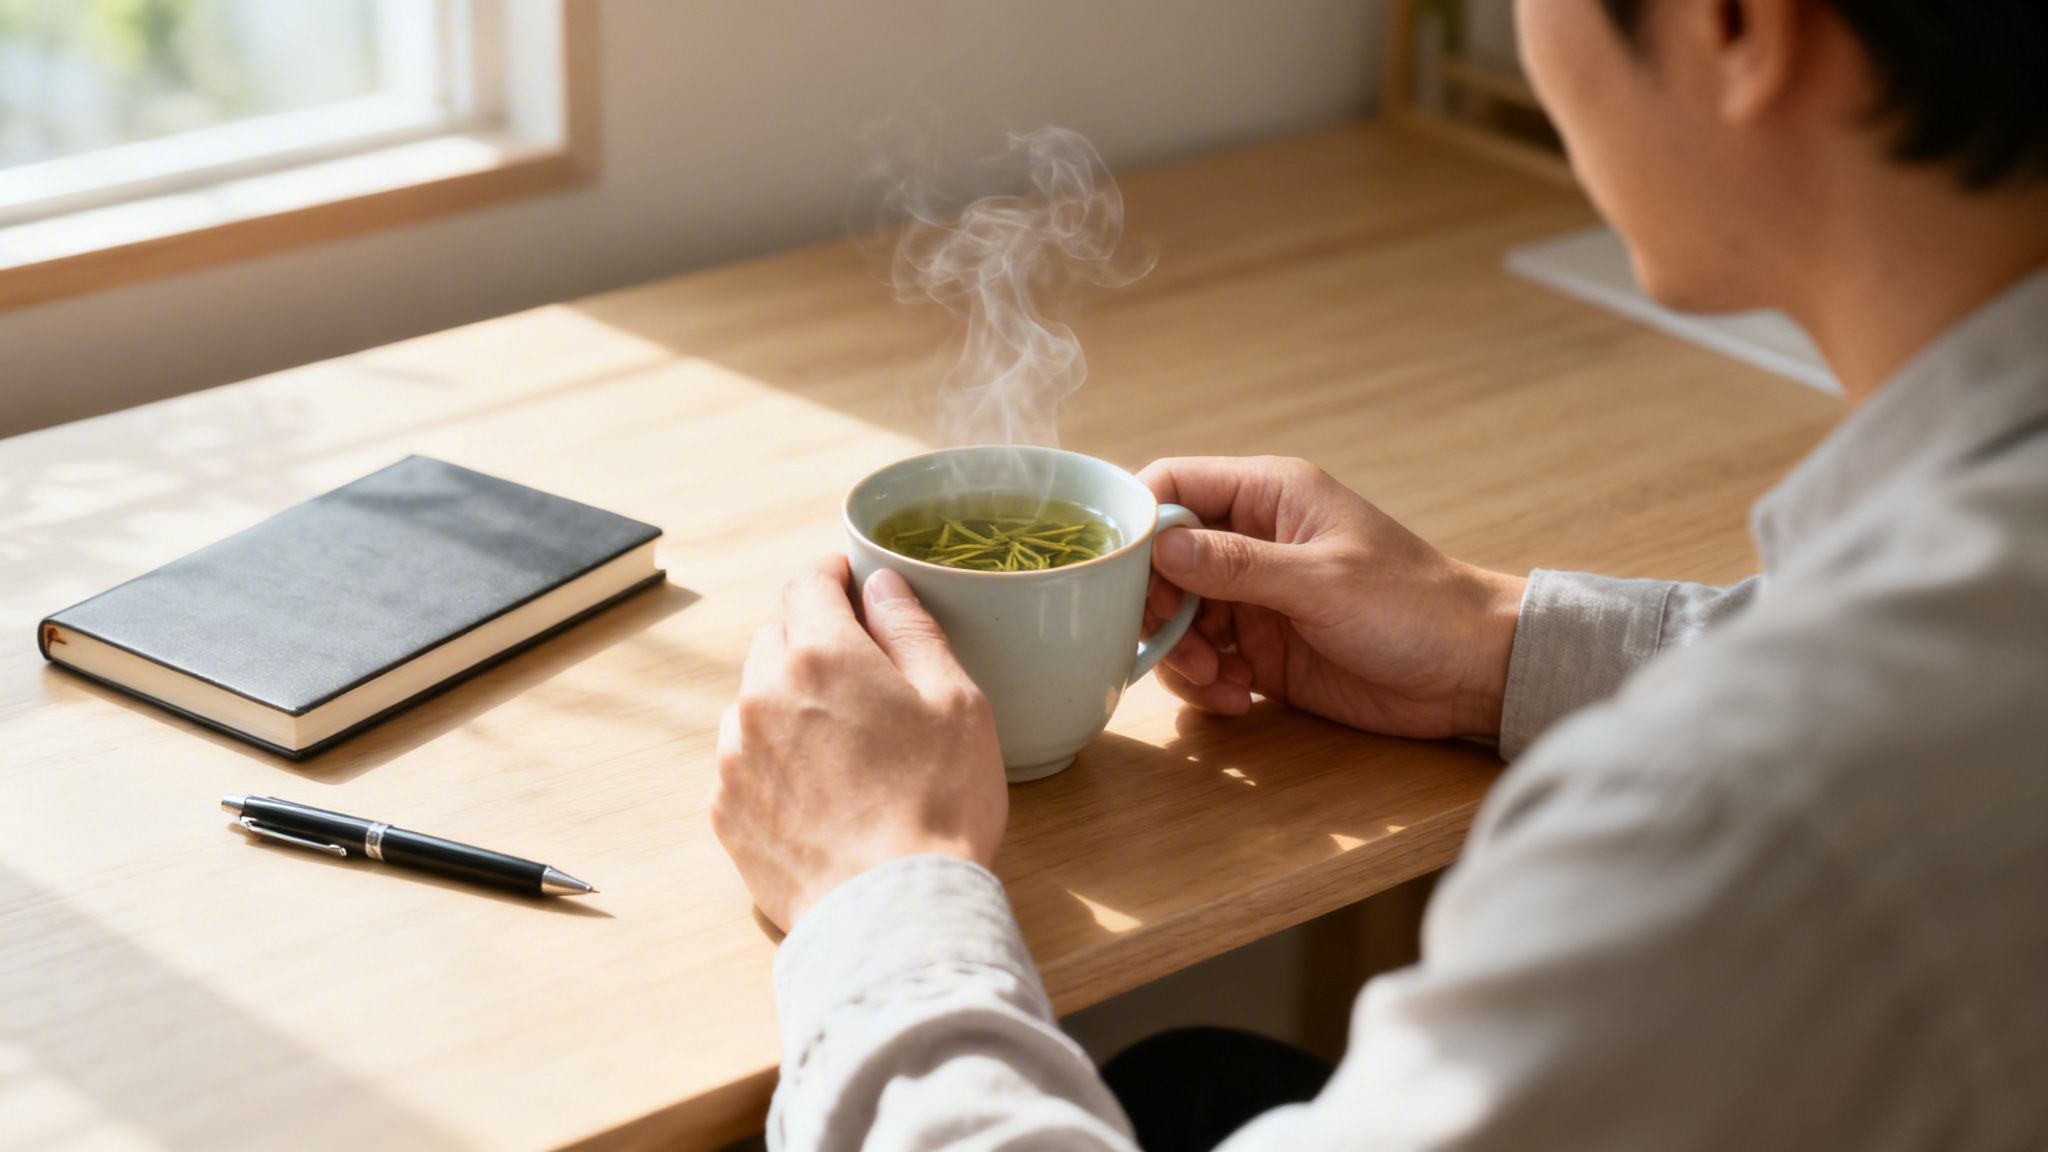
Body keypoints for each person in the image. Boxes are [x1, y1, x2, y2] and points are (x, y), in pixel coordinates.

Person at [711, 0, 2048, 1147]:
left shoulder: (1733, 828)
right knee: (1189, 1080)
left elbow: (1791, 778)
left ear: (1735, 23)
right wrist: (1492, 639)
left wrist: (874, 889)